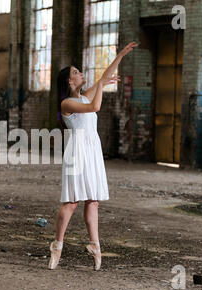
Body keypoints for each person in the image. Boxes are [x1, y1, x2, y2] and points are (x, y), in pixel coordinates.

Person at [49, 42, 139, 271]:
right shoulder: (66, 103)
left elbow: (102, 79)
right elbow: (95, 107)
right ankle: (57, 244)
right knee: (71, 202)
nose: (81, 74)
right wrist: (100, 85)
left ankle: (95, 245)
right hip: (77, 150)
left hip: (91, 149)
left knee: (93, 200)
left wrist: (120, 56)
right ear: (70, 81)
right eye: (76, 72)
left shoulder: (82, 97)